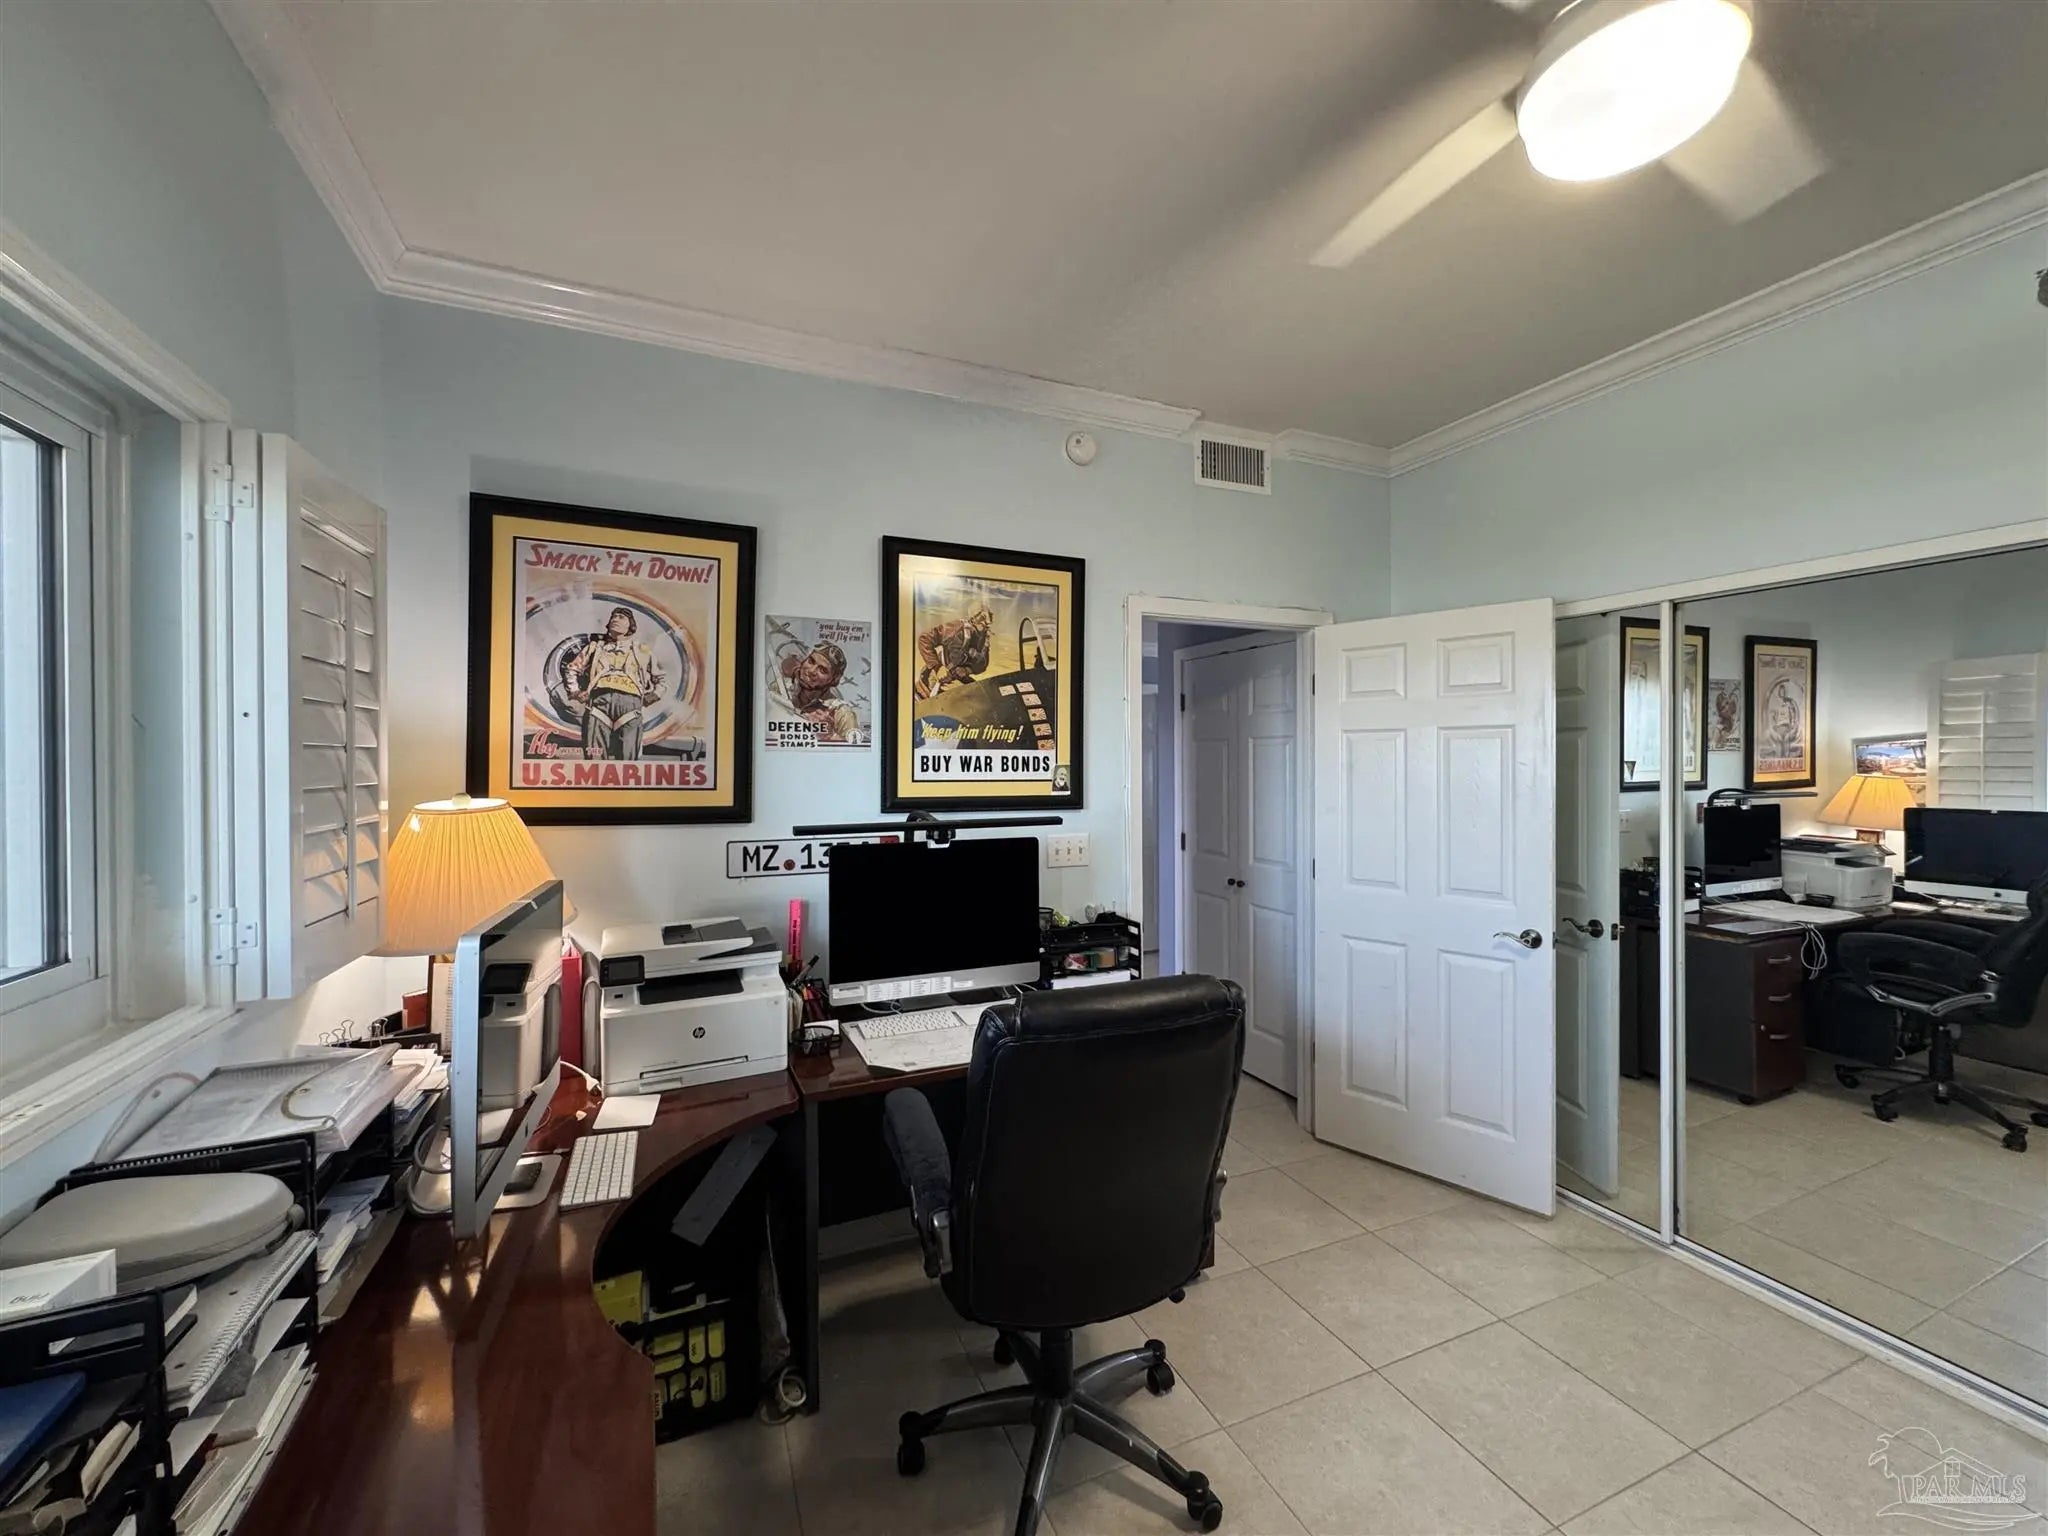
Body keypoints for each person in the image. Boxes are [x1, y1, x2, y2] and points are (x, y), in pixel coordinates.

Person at [566, 606, 665, 760]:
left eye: (621, 617)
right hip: (598, 705)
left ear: (630, 625)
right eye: (613, 617)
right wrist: (575, 691)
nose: (615, 620)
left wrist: (655, 694)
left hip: (631, 707)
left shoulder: (642, 650)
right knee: (594, 759)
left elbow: (661, 678)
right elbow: (572, 669)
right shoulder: (594, 647)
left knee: (628, 761)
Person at [772, 637, 861, 743]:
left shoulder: (843, 714)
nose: (811, 671)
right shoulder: (779, 688)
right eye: (811, 661)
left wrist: (830, 736)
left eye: (822, 670)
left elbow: (856, 748)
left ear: (834, 680)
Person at [915, 603, 992, 699]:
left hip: (956, 677)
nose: (987, 621)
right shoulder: (956, 628)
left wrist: (967, 670)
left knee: (980, 695)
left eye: (989, 616)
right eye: (983, 617)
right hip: (936, 674)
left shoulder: (983, 638)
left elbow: (982, 663)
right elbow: (924, 639)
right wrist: (936, 666)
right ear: (974, 617)